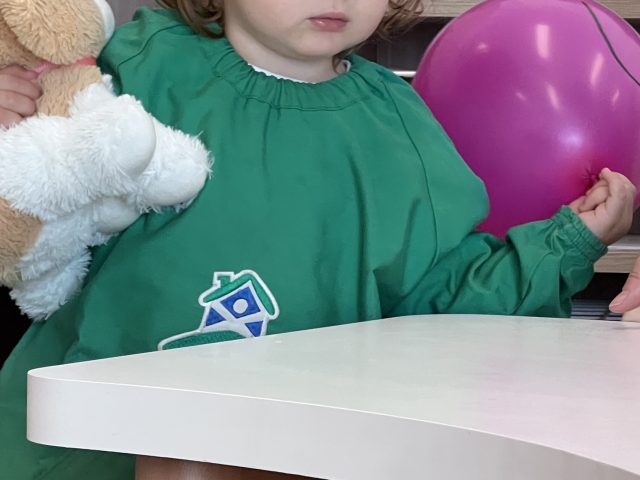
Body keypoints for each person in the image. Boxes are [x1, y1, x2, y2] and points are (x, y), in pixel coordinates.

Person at [0, 0, 636, 479]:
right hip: (86, 447)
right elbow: (29, 195)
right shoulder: (138, 61)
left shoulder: (402, 130)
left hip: (296, 457)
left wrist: (567, 243)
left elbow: (443, 303)